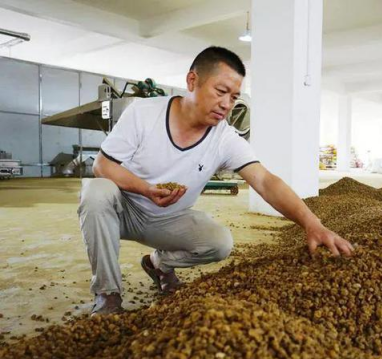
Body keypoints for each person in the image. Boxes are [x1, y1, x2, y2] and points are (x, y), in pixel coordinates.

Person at [78, 46, 354, 315]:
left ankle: (158, 264)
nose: (226, 104)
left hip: (167, 219)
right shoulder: (143, 114)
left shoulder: (224, 138)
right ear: (192, 80)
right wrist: (146, 190)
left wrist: (312, 224)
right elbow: (103, 166)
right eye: (220, 92)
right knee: (96, 192)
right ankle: (107, 295)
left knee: (219, 243)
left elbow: (265, 181)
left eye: (233, 97)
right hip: (123, 210)